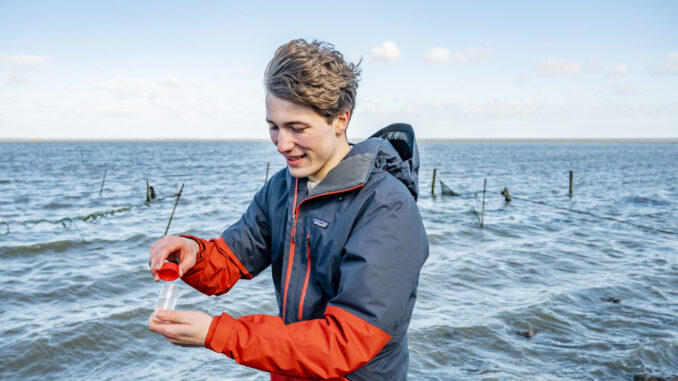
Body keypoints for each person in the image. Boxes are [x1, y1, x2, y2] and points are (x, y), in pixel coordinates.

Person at [148, 39, 429, 380]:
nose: (282, 144)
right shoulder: (284, 187)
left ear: (340, 119)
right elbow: (231, 258)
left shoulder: (387, 206)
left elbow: (348, 341)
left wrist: (217, 334)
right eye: (273, 127)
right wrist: (192, 252)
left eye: (297, 128)